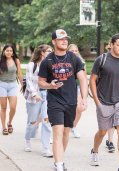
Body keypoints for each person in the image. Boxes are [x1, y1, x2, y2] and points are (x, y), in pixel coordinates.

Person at [38, 29, 88, 171]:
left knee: (66, 132)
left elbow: (83, 79)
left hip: (71, 101)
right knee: (58, 132)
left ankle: (59, 159)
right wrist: (50, 86)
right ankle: (59, 165)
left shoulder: (73, 58)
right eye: (61, 39)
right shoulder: (47, 61)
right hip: (55, 101)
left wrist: (84, 98)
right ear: (54, 42)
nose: (64, 41)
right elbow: (40, 82)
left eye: (66, 38)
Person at [89, 33, 119, 171]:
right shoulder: (101, 60)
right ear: (112, 44)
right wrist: (97, 102)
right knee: (102, 132)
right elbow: (92, 80)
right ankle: (95, 151)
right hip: (104, 102)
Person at [24, 44, 53, 157]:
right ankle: (27, 139)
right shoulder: (32, 65)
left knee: (46, 121)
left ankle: (46, 148)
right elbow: (29, 81)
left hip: (47, 95)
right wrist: (35, 94)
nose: (51, 52)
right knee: (33, 122)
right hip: (34, 96)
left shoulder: (51, 64)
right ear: (42, 53)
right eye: (49, 51)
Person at [0, 44, 23, 135]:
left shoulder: (16, 60)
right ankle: (4, 127)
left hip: (13, 85)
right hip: (2, 85)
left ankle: (9, 122)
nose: (9, 52)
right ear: (4, 51)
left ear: (13, 52)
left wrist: (23, 85)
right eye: (7, 50)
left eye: (11, 51)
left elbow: (19, 74)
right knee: (3, 108)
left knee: (13, 107)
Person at [67, 44, 86, 138]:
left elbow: (84, 78)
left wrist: (84, 95)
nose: (74, 52)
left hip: (77, 88)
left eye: (76, 50)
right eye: (72, 51)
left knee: (79, 108)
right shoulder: (64, 61)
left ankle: (74, 127)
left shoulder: (81, 62)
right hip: (66, 88)